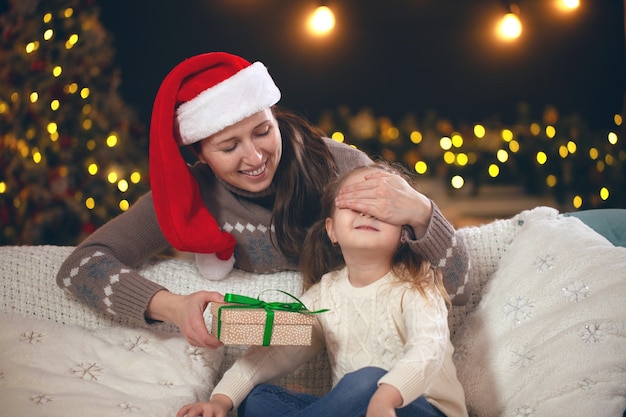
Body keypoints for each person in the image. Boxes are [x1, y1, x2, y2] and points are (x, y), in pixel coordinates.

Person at [55, 52, 471, 349]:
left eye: (261, 131)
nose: (254, 158)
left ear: (275, 117)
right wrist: (172, 307)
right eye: (228, 145)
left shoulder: (341, 166)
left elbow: (458, 286)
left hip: (372, 336)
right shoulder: (189, 195)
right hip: (303, 334)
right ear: (199, 154)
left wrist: (420, 211)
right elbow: (80, 267)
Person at [177, 162, 468, 417]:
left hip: (419, 408)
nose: (367, 214)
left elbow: (427, 350)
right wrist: (221, 399)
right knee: (257, 399)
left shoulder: (417, 284)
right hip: (353, 408)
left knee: (364, 382)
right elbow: (274, 353)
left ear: (404, 233)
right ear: (331, 230)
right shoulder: (326, 293)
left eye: (380, 208)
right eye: (354, 206)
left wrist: (385, 396)